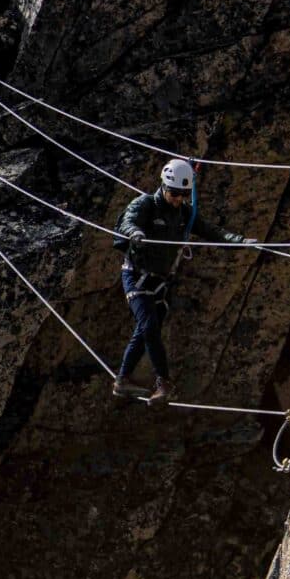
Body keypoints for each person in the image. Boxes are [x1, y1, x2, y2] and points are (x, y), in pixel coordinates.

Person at [111, 158, 254, 403]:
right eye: (175, 193)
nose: (178, 199)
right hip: (136, 275)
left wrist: (240, 241)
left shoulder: (185, 214)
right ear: (164, 186)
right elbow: (128, 221)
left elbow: (212, 231)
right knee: (149, 328)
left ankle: (122, 380)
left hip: (160, 282)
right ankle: (164, 382)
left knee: (144, 331)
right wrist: (135, 233)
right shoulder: (145, 204)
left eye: (183, 195)